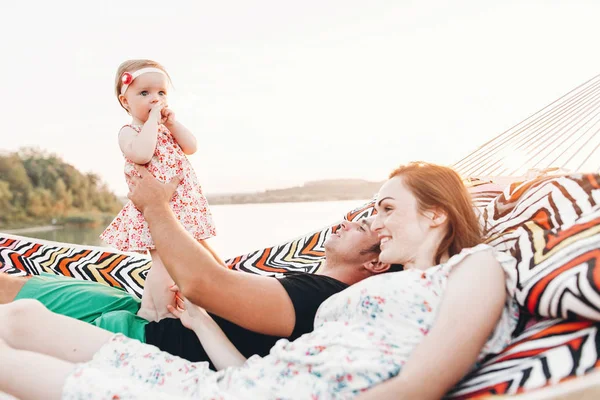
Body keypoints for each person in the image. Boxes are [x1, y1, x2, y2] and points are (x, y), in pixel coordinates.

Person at [0, 162, 519, 399]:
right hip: (232, 381)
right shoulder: (367, 289)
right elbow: (271, 363)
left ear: (436, 215)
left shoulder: (475, 269)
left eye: (385, 208)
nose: (374, 221)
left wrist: (158, 207)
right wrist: (201, 324)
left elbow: (416, 387)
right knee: (21, 318)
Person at [0, 213, 395, 368]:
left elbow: (204, 282)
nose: (345, 222)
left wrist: (156, 207)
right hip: (139, 309)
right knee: (10, 286)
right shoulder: (309, 280)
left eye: (360, 227)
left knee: (14, 319)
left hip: (137, 336)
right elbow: (219, 280)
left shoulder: (318, 298)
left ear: (375, 263)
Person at [100, 59, 219, 321]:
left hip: (181, 206)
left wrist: (172, 124)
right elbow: (142, 154)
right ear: (125, 101)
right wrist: (154, 120)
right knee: (164, 263)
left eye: (161, 93)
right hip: (155, 210)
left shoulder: (166, 129)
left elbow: (191, 147)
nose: (155, 99)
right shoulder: (130, 131)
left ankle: (163, 306)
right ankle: (157, 312)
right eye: (144, 93)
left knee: (187, 258)